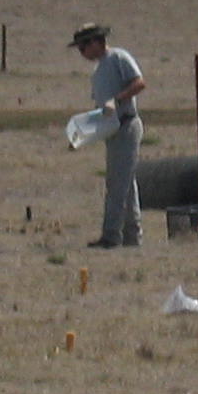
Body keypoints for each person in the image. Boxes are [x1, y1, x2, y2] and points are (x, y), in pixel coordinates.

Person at [70, 23, 145, 247]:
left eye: (83, 46)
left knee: (117, 184)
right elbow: (101, 110)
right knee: (126, 185)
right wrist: (80, 135)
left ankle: (111, 236)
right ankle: (132, 237)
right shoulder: (98, 70)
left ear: (96, 42)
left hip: (127, 125)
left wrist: (117, 100)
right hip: (112, 130)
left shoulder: (119, 57)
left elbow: (139, 83)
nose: (82, 52)